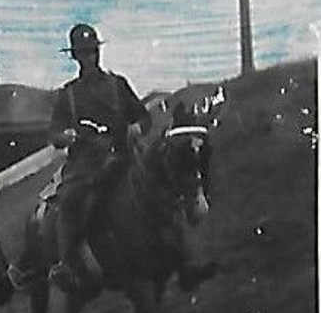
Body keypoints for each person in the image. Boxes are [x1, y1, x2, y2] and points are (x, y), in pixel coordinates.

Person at [48, 23, 216, 293]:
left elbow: (143, 116)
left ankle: (187, 264)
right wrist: (64, 136)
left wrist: (138, 126)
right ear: (75, 57)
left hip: (124, 154)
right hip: (85, 164)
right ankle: (67, 265)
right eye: (83, 53)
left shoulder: (117, 84)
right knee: (69, 200)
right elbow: (54, 133)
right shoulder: (68, 95)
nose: (89, 57)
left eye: (92, 51)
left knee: (163, 188)